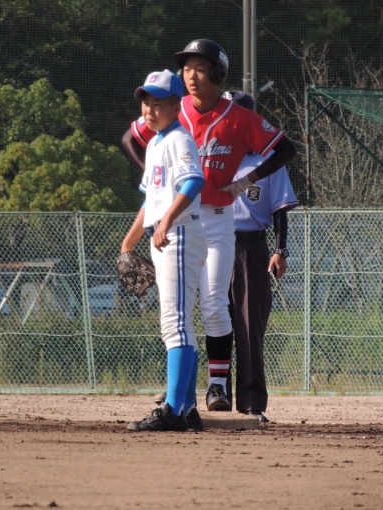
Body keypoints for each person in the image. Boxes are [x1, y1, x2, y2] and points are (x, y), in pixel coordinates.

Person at [122, 39, 297, 413]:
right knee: (178, 312)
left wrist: (247, 180)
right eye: (187, 68)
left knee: (215, 303)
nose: (191, 75)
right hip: (180, 221)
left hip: (217, 220)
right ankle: (180, 394)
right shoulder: (172, 108)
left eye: (200, 68)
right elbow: (130, 139)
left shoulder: (239, 117)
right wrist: (157, 179)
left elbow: (286, 149)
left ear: (218, 74)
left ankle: (217, 386)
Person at [122, 70, 207, 431]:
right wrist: (128, 241)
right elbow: (151, 200)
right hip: (167, 235)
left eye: (158, 103)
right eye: (145, 102)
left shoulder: (178, 139)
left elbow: (194, 181)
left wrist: (167, 221)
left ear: (176, 106)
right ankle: (186, 407)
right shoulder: (156, 142)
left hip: (179, 233)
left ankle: (173, 410)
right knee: (176, 323)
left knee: (176, 324)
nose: (149, 109)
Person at [225, 90, 299, 423]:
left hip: (250, 248)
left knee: (248, 325)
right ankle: (215, 398)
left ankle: (252, 403)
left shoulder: (267, 160)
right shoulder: (212, 156)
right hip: (213, 245)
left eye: (235, 116)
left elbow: (280, 209)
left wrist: (280, 250)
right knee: (215, 324)